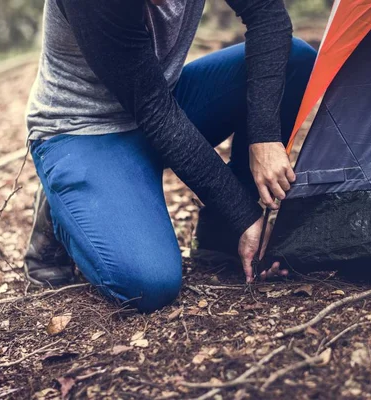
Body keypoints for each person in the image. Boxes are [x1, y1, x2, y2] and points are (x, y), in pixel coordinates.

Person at [23, 0, 316, 312]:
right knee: (148, 284)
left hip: (162, 97)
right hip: (85, 129)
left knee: (292, 60)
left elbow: (266, 12)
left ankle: (221, 234)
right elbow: (153, 110)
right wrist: (245, 214)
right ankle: (63, 205)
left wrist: (265, 135)